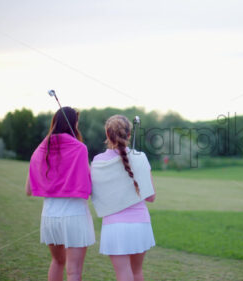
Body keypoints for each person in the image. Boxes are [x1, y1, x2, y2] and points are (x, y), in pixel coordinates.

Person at [25, 107, 95, 281]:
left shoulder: (41, 149)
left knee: (57, 262)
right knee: (74, 272)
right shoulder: (80, 149)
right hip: (75, 216)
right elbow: (89, 185)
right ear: (74, 124)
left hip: (49, 217)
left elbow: (28, 189)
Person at [91, 114, 156, 281]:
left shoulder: (97, 161)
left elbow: (96, 194)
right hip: (140, 224)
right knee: (137, 273)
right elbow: (151, 197)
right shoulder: (140, 158)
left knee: (123, 274)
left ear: (107, 134)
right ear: (129, 135)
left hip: (115, 226)